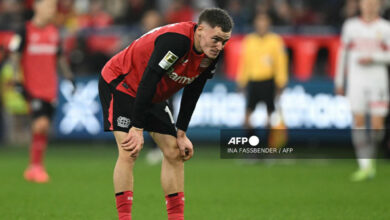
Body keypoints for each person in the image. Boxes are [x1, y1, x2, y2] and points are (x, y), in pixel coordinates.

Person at [98, 8, 233, 220]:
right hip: (121, 82)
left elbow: (193, 90)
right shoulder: (176, 41)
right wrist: (137, 127)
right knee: (130, 150)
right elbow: (148, 79)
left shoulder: (211, 53)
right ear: (200, 30)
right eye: (216, 39)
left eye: (224, 41)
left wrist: (181, 132)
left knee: (174, 152)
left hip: (150, 92)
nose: (220, 46)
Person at [8, 0, 74, 183]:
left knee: (43, 129)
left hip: (49, 88)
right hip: (32, 87)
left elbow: (60, 57)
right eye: (48, 6)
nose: (51, 11)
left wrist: (69, 77)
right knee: (41, 124)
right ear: (37, 7)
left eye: (52, 7)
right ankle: (35, 167)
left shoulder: (54, 32)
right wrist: (15, 79)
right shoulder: (24, 31)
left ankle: (35, 166)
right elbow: (15, 56)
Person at [335, 0, 390, 181]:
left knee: (377, 126)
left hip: (378, 81)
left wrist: (373, 57)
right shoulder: (350, 26)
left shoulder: (385, 27)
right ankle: (364, 165)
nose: (369, 6)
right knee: (358, 121)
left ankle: (370, 158)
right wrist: (339, 80)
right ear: (360, 5)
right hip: (357, 81)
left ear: (378, 6)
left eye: (373, 3)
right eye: (366, 2)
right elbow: (342, 54)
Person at [236, 13, 288, 133]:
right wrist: (241, 81)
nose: (261, 24)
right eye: (259, 21)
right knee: (247, 117)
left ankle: (268, 147)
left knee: (270, 117)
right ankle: (251, 147)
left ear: (269, 24)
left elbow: (281, 63)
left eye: (264, 21)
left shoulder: (275, 41)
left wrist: (281, 81)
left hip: (268, 81)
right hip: (253, 81)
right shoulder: (249, 40)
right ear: (255, 23)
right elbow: (244, 63)